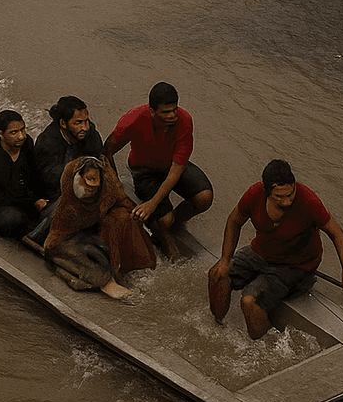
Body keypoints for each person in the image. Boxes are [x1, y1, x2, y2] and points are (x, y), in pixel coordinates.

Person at [208, 159, 343, 339]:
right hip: (261, 252)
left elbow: (337, 233)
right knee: (217, 274)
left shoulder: (308, 200)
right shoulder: (254, 194)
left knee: (249, 300)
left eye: (290, 195)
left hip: (295, 266)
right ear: (266, 191)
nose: (286, 202)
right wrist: (225, 259)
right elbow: (234, 222)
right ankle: (217, 326)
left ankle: (263, 347)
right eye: (279, 197)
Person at [103, 81, 212, 258]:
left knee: (204, 198)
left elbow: (177, 170)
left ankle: (174, 224)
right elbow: (107, 150)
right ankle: (165, 233)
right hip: (144, 170)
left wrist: (153, 203)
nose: (173, 115)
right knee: (164, 219)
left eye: (174, 110)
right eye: (166, 112)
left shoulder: (185, 120)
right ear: (152, 111)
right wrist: (116, 186)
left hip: (171, 166)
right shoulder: (133, 120)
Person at [43, 156, 156, 300]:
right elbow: (56, 237)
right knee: (76, 257)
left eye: (96, 180)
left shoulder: (108, 184)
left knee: (123, 217)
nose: (94, 184)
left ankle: (129, 265)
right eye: (89, 179)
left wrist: (138, 220)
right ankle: (106, 280)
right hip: (69, 233)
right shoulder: (69, 198)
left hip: (96, 225)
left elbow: (123, 201)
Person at [25, 95, 105, 247]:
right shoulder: (47, 143)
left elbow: (100, 157)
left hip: (87, 185)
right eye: (78, 123)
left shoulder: (89, 133)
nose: (85, 127)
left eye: (86, 121)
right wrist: (81, 173)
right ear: (63, 123)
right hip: (53, 196)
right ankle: (35, 237)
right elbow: (47, 179)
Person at [0, 109, 46, 238]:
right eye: (14, 133)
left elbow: (33, 173)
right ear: (1, 134)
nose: (21, 136)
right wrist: (34, 204)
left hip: (24, 199)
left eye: (22, 130)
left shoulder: (26, 143)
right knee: (15, 219)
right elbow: (12, 192)